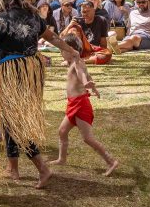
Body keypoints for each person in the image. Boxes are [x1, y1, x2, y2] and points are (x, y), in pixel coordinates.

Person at [0, 0, 63, 188]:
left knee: (15, 120)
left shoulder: (2, 20)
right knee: (9, 118)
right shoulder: (33, 15)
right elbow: (51, 37)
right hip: (31, 69)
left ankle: (42, 167)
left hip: (14, 71)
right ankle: (12, 167)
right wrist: (70, 50)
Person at [49, 33, 118, 176]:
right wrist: (93, 87)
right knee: (62, 131)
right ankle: (62, 158)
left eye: (62, 50)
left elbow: (82, 74)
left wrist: (87, 84)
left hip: (80, 105)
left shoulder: (77, 63)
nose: (61, 53)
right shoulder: (76, 62)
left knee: (87, 138)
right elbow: (87, 75)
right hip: (73, 103)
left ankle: (111, 161)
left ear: (71, 50)